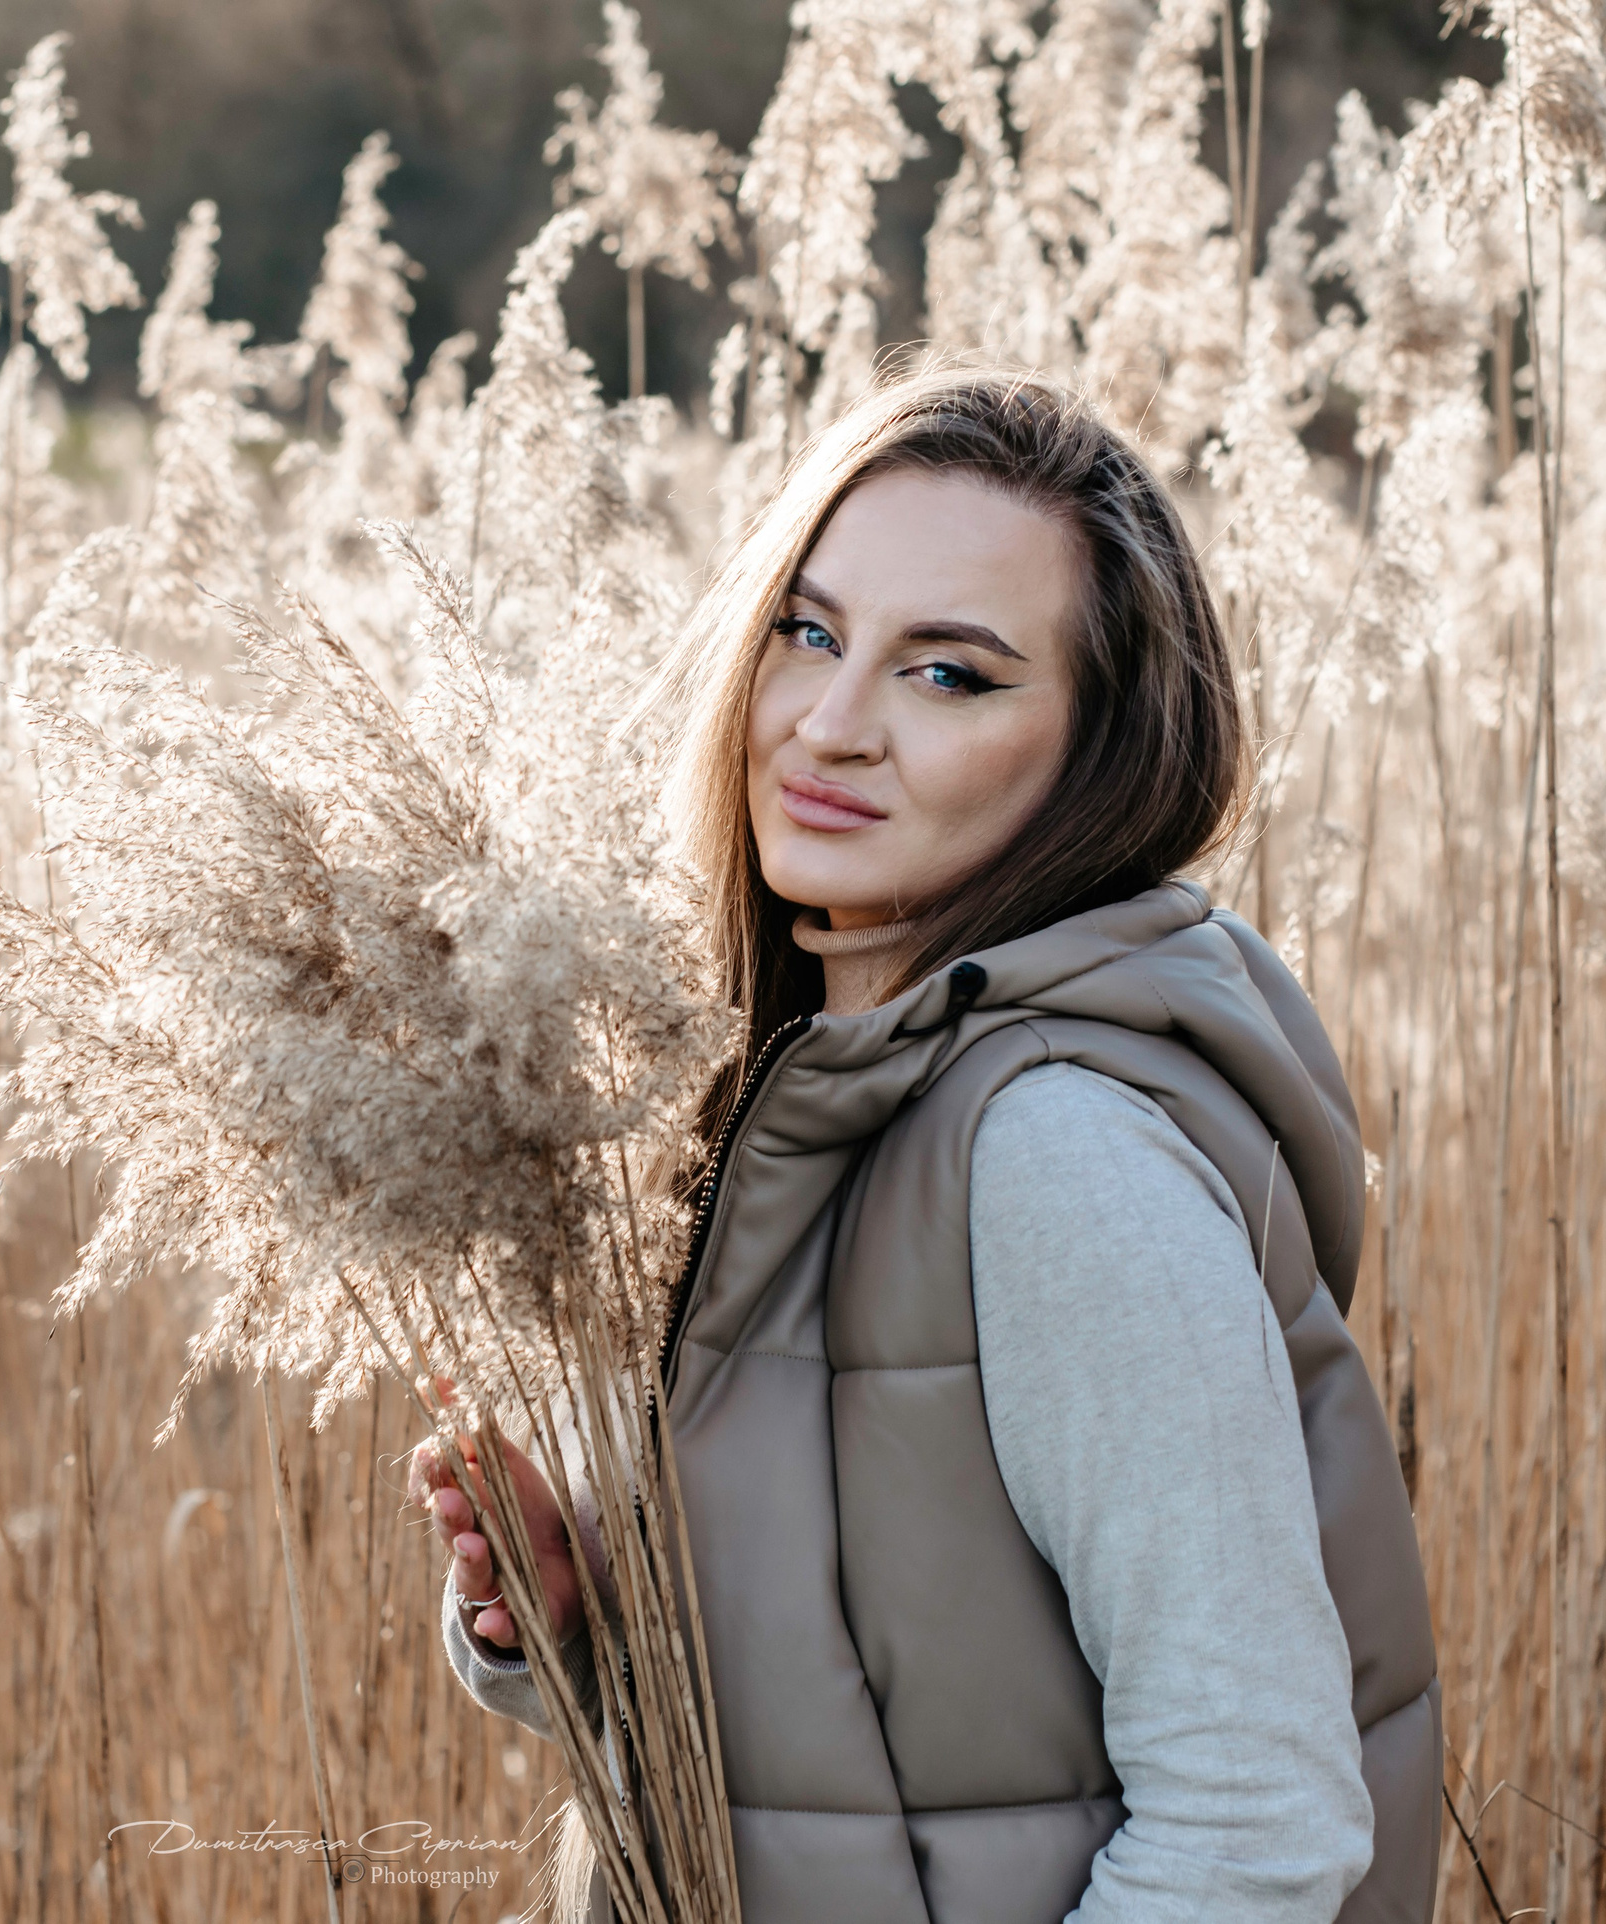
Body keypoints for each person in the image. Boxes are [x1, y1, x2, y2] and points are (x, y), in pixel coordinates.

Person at [405, 361, 1439, 1923]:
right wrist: (580, 1626)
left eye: (948, 676)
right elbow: (854, 1748)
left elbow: (1259, 1823)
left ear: (1099, 755)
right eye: (808, 634)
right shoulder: (794, 1103)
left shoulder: (1057, 1156)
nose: (830, 724)